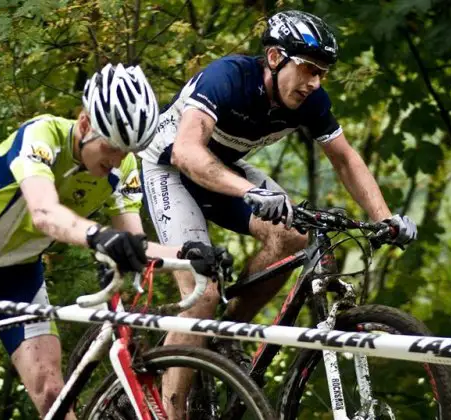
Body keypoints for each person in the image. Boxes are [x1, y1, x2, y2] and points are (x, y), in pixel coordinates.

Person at [0, 64, 223, 419]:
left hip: (17, 274)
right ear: (85, 124)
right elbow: (44, 213)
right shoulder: (42, 136)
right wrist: (99, 236)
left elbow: (133, 243)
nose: (117, 158)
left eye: (127, 150)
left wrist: (188, 254)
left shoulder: (123, 168)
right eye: (111, 145)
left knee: (52, 393)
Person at [139, 10, 417, 418]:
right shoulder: (227, 78)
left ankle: (226, 334)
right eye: (307, 68)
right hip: (171, 168)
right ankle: (170, 411)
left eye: (322, 72)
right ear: (274, 58)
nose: (314, 82)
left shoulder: (309, 100)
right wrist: (249, 190)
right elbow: (187, 151)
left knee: (294, 237)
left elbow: (344, 159)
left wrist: (385, 218)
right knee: (202, 294)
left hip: (223, 168)